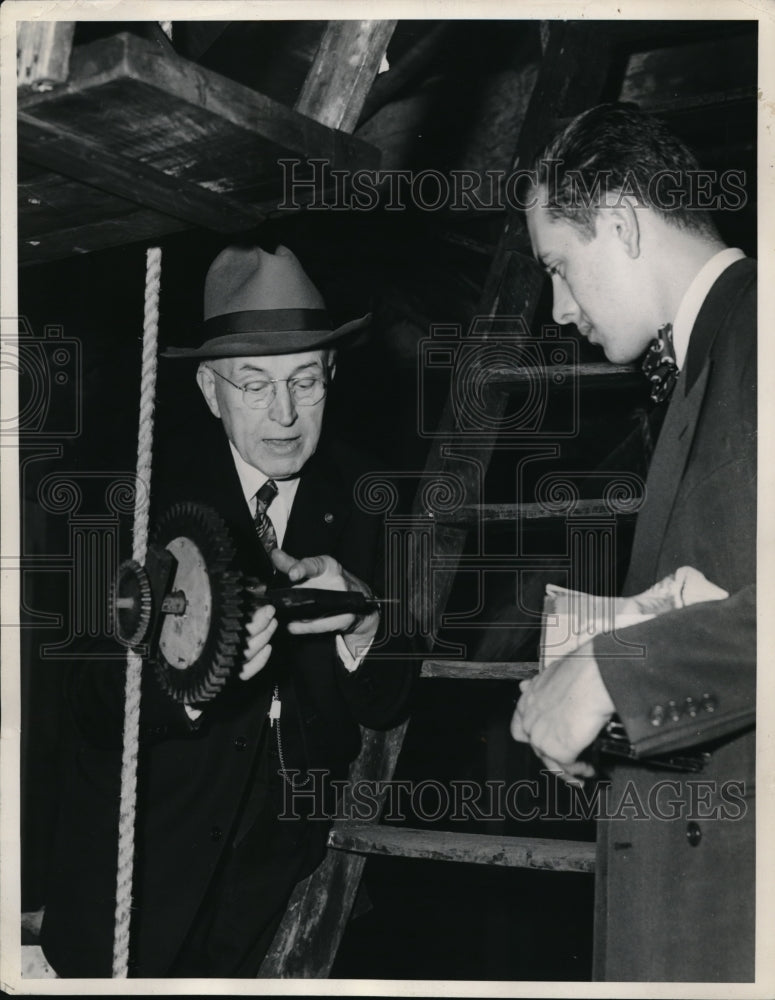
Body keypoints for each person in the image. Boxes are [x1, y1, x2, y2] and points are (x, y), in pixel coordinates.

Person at [40, 244, 415, 977]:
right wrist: (190, 678)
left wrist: (366, 621)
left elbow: (390, 699)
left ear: (331, 373)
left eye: (305, 381)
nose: (284, 414)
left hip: (282, 871)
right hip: (147, 860)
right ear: (211, 390)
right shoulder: (135, 495)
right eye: (254, 385)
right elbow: (81, 697)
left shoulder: (368, 491)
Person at [511, 105, 755, 981]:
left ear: (618, 223)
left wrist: (615, 672)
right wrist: (598, 687)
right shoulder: (712, 355)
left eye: (559, 269)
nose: (557, 309)